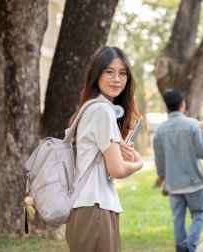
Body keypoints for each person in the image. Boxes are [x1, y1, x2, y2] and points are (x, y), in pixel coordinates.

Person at [65, 45, 144, 252]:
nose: (116, 79)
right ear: (96, 74)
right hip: (95, 209)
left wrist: (126, 154)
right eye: (109, 72)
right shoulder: (102, 111)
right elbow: (116, 170)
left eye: (122, 73)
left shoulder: (91, 108)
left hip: (89, 209)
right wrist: (138, 163)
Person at [153, 89, 203, 252]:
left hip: (173, 184)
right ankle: (188, 245)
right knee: (199, 214)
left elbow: (160, 163)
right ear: (182, 104)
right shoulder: (193, 125)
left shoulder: (159, 131)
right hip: (195, 182)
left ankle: (180, 247)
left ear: (167, 107)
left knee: (178, 219)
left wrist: (163, 181)